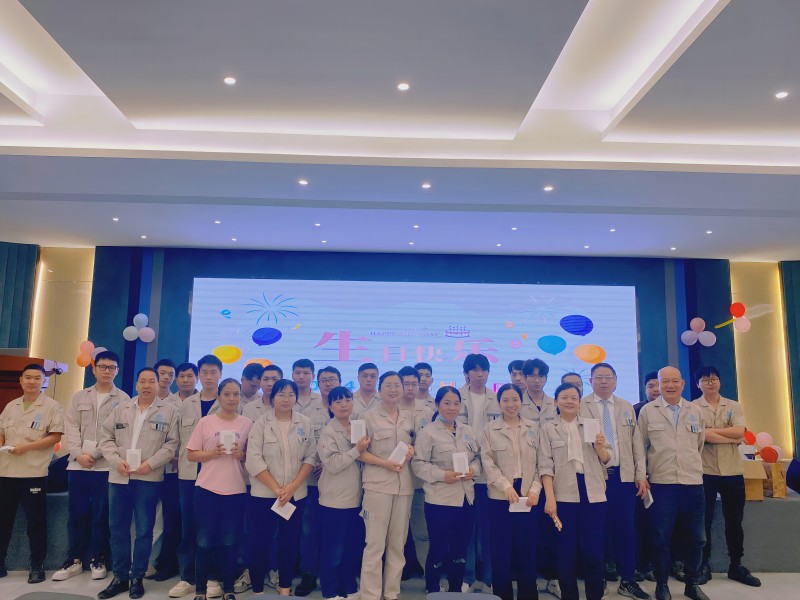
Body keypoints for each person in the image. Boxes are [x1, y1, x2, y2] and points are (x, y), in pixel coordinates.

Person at [97, 367, 179, 600]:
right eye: (142, 381)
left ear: (158, 384)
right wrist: (116, 461)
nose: (146, 385)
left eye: (151, 381)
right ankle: (120, 577)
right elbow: (106, 438)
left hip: (148, 478)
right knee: (118, 528)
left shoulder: (169, 411)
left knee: (144, 530)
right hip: (119, 477)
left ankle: (137, 577)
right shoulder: (121, 408)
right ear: (136, 384)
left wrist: (150, 464)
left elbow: (172, 444)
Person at [54, 351, 128, 583]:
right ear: (94, 369)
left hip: (106, 466)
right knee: (77, 514)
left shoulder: (123, 399)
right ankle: (74, 559)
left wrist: (94, 454)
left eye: (111, 367)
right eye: (102, 367)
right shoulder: (79, 397)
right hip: (78, 466)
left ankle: (98, 558)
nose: (107, 371)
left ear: (117, 371)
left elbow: (119, 434)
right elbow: (71, 427)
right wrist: (78, 454)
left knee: (101, 515)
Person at [580, 363, 651, 600]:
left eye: (608, 377)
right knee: (596, 531)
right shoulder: (581, 406)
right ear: (590, 381)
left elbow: (636, 444)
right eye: (599, 377)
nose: (603, 381)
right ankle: (597, 579)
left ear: (616, 380)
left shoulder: (626, 407)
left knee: (626, 531)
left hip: (623, 477)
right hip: (595, 478)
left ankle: (628, 580)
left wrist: (640, 475)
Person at [638, 367, 709, 600]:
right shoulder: (648, 411)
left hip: (693, 483)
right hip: (662, 483)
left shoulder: (695, 411)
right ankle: (662, 584)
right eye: (664, 381)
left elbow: (698, 444)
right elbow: (641, 447)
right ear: (658, 385)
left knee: (697, 537)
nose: (670, 385)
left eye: (674, 381)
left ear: (683, 384)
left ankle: (692, 583)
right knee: (661, 537)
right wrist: (642, 475)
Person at [245, 379, 316, 597]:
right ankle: (258, 590)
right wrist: (277, 489)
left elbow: (310, 457)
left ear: (296, 397)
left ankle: (285, 588)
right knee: (259, 542)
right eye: (281, 394)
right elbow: (253, 460)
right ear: (272, 397)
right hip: (264, 495)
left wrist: (292, 487)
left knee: (289, 542)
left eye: (291, 395)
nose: (286, 399)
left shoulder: (305, 423)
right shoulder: (261, 423)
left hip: (295, 495)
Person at [540, 383, 610, 600]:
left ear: (580, 402)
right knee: (565, 552)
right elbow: (545, 466)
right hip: (563, 494)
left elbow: (607, 459)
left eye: (574, 398)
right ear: (555, 401)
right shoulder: (548, 429)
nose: (569, 401)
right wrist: (550, 499)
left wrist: (600, 448)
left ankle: (595, 595)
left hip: (593, 492)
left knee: (593, 552)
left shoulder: (592, 425)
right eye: (564, 397)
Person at [693, 366, 760, 587]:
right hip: (706, 471)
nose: (710, 383)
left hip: (732, 471)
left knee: (735, 521)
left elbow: (740, 431)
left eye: (714, 379)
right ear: (698, 384)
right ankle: (704, 566)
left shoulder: (733, 405)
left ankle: (736, 565)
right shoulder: (693, 408)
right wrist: (731, 438)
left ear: (720, 382)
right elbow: (701, 436)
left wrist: (715, 433)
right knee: (704, 521)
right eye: (705, 380)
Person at [187, 378, 252, 600]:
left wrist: (242, 455)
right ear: (219, 396)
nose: (232, 398)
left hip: (235, 491)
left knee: (230, 542)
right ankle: (200, 591)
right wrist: (212, 453)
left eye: (236, 394)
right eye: (227, 394)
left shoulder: (247, 423)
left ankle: (229, 589)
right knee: (204, 542)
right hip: (207, 490)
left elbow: (252, 456)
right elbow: (191, 454)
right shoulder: (206, 422)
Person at [0, 363, 64, 584]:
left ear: (43, 381)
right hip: (6, 471)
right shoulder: (11, 405)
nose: (32, 381)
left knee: (35, 523)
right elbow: (2, 431)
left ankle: (37, 566)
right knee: (3, 521)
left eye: (37, 378)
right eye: (28, 377)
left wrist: (26, 447)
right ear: (21, 380)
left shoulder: (51, 406)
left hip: (33, 472)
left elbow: (55, 436)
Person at [413, 386, 481, 593]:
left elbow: (478, 458)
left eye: (456, 403)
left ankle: (455, 588)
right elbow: (418, 464)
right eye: (447, 403)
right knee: (439, 547)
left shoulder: (467, 431)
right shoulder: (428, 433)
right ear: (437, 405)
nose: (452, 408)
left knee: (460, 548)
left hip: (466, 498)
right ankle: (433, 587)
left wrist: (473, 470)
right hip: (439, 500)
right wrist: (443, 475)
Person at [480, 383, 541, 600]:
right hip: (500, 496)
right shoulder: (490, 429)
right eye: (505, 400)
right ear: (499, 403)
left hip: (528, 496)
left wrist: (535, 490)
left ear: (521, 401)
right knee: (501, 551)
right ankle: (502, 595)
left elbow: (542, 463)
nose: (510, 404)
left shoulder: (534, 427)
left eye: (515, 399)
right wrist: (505, 486)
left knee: (527, 550)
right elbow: (487, 463)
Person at [358, 371, 416, 600]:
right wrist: (385, 463)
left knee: (397, 544)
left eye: (397, 385)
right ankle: (370, 594)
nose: (393, 389)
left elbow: (415, 445)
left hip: (404, 487)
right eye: (388, 385)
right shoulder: (366, 417)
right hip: (377, 486)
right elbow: (359, 453)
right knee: (374, 544)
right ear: (380, 389)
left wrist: (411, 450)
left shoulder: (409, 417)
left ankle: (392, 592)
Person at [171, 355, 225, 599]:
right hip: (188, 474)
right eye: (205, 372)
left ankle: (212, 577)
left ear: (220, 374)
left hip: (218, 476)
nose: (209, 377)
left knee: (213, 528)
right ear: (199, 375)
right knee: (189, 527)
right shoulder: (185, 404)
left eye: (214, 372)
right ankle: (187, 577)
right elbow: (176, 438)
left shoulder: (228, 402)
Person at [318, 386, 370, 600]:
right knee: (333, 550)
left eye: (347, 400)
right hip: (335, 501)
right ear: (330, 406)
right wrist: (356, 450)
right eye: (338, 401)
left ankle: (349, 587)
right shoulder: (328, 431)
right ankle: (330, 591)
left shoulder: (358, 427)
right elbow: (332, 464)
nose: (344, 405)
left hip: (357, 499)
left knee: (352, 547)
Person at [457, 353, 498, 593]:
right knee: (467, 529)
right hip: (464, 472)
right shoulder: (456, 397)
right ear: (466, 373)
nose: (480, 374)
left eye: (484, 370)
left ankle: (489, 577)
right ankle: (468, 575)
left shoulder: (497, 399)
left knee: (489, 529)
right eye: (475, 370)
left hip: (490, 473)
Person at [521, 358, 559, 595]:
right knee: (528, 532)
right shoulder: (516, 402)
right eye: (532, 376)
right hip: (526, 476)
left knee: (552, 530)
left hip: (553, 473)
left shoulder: (554, 403)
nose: (537, 380)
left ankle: (553, 578)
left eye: (541, 376)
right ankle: (529, 579)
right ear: (524, 377)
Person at [294, 359, 328, 597]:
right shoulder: (286, 399)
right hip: (298, 479)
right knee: (305, 530)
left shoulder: (323, 402)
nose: (302, 376)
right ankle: (307, 574)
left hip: (326, 478)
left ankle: (326, 574)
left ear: (312, 376)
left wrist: (325, 463)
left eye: (306, 373)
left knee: (324, 529)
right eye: (298, 372)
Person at [398, 365, 434, 580]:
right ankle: (392, 580)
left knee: (422, 533)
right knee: (395, 535)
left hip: (420, 482)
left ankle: (430, 579)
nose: (410, 387)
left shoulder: (427, 412)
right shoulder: (390, 409)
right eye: (406, 383)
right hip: (395, 480)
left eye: (414, 383)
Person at [149, 358, 181, 582]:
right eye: (163, 373)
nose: (167, 377)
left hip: (171, 470)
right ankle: (145, 561)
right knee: (146, 518)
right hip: (143, 470)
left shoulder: (177, 404)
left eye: (171, 374)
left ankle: (162, 560)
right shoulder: (139, 402)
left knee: (166, 519)